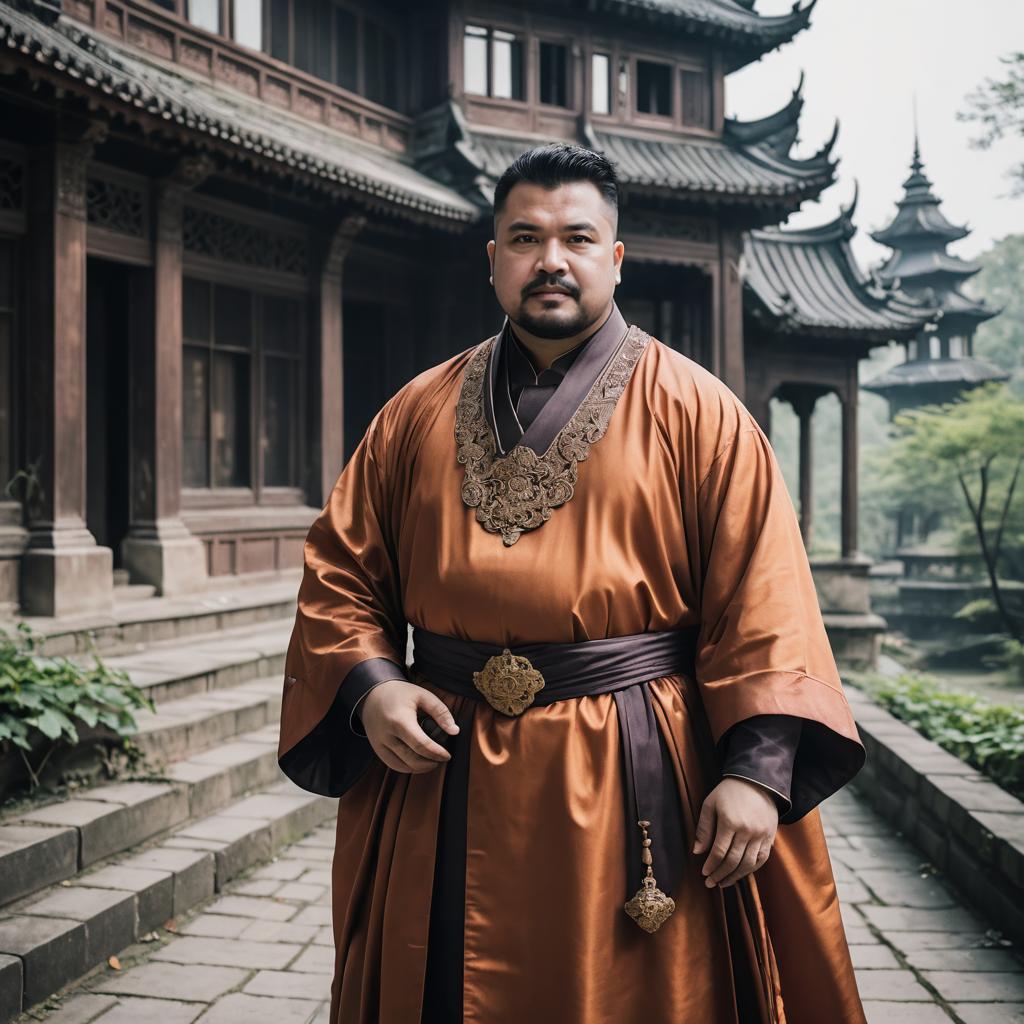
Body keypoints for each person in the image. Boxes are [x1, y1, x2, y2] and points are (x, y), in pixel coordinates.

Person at [278, 143, 867, 1024]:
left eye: (577, 238)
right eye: (525, 237)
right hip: (445, 763)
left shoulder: (699, 412)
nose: (550, 259)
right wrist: (369, 690)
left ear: (614, 257)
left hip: (634, 771)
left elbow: (765, 599)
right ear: (493, 260)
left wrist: (757, 772)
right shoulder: (414, 413)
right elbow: (341, 575)